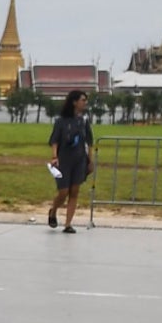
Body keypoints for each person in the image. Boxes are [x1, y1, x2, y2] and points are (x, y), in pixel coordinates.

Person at [47, 88, 95, 233]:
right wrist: (54, 157)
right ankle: (53, 210)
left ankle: (68, 224)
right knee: (63, 192)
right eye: (82, 100)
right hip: (63, 160)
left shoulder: (84, 121)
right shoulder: (60, 121)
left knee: (74, 192)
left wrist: (90, 161)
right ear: (74, 102)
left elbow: (89, 142)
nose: (85, 103)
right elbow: (54, 140)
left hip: (79, 160)